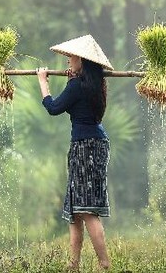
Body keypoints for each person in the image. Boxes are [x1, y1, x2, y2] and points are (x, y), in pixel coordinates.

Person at [36, 34, 114, 271]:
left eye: (71, 56)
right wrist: (73, 79)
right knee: (76, 209)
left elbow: (53, 107)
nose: (68, 60)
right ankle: (73, 265)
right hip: (95, 144)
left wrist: (43, 81)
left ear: (82, 60)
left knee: (86, 210)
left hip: (85, 147)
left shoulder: (77, 86)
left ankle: (104, 264)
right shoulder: (95, 85)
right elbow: (77, 99)